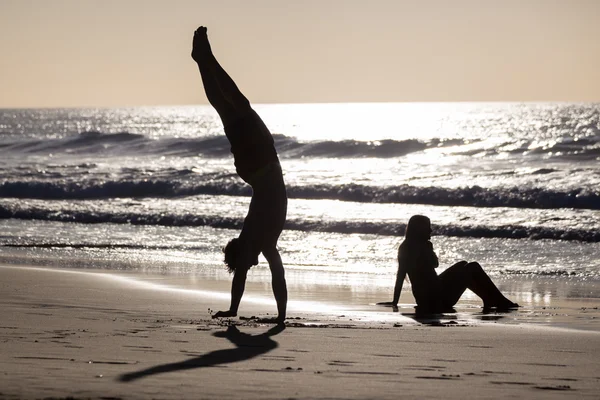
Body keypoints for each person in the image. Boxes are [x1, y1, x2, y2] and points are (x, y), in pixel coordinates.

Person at [191, 26, 288, 323]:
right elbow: (252, 274)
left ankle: (208, 59)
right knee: (225, 108)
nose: (250, 265)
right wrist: (236, 311)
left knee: (237, 106)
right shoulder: (254, 238)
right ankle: (202, 60)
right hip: (250, 168)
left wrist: (281, 317)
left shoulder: (263, 240)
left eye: (247, 262)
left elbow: (274, 273)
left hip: (262, 162)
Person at [391, 215, 519, 313]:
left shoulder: (404, 247)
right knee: (473, 267)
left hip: (425, 298)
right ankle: (500, 301)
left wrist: (395, 301)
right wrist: (429, 248)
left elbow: (400, 275)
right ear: (419, 230)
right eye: (427, 228)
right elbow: (435, 264)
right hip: (437, 300)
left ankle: (488, 298)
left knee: (463, 264)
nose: (431, 230)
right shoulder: (423, 246)